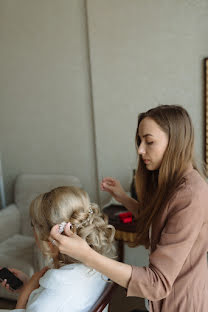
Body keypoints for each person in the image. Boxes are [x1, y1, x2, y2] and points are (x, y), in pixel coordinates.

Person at [50, 105, 208, 312]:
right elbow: (160, 220)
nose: (141, 150)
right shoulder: (173, 184)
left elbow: (156, 283)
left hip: (181, 303)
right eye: (140, 141)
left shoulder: (191, 195)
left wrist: (86, 255)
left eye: (149, 142)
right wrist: (123, 197)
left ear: (176, 142)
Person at [0, 186, 116, 312]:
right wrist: (29, 286)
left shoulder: (44, 306)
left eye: (33, 225)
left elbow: (46, 304)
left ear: (50, 238)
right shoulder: (98, 266)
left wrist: (23, 297)